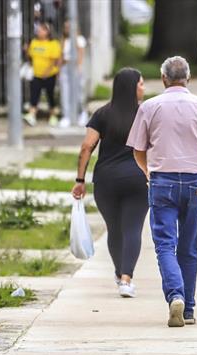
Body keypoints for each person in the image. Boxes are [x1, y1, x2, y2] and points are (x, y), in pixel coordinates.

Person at [126, 56, 197, 328]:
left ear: (163, 79)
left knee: (164, 245)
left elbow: (138, 150)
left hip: (162, 181)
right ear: (189, 79)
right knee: (189, 245)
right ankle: (190, 308)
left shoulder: (149, 107)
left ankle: (176, 296)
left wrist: (150, 173)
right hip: (195, 183)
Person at [72, 68, 148, 298]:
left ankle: (119, 273)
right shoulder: (145, 114)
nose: (143, 88)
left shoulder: (102, 114)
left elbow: (87, 146)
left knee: (114, 229)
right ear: (133, 87)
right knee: (133, 228)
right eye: (141, 83)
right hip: (137, 179)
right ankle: (127, 279)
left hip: (106, 180)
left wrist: (80, 180)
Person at [23, 23, 61, 127]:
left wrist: (47, 72)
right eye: (38, 30)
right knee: (34, 95)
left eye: (41, 30)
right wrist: (26, 50)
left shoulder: (53, 43)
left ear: (47, 32)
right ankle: (32, 115)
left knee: (50, 96)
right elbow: (30, 57)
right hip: (36, 74)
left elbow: (55, 60)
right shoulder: (34, 42)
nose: (38, 32)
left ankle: (53, 116)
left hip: (50, 75)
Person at [59, 20, 88, 128]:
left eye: (69, 27)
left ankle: (82, 114)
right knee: (65, 92)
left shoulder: (79, 39)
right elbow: (61, 55)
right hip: (65, 66)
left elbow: (80, 53)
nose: (67, 29)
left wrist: (79, 67)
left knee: (78, 92)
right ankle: (66, 116)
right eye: (66, 27)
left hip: (75, 66)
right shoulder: (64, 40)